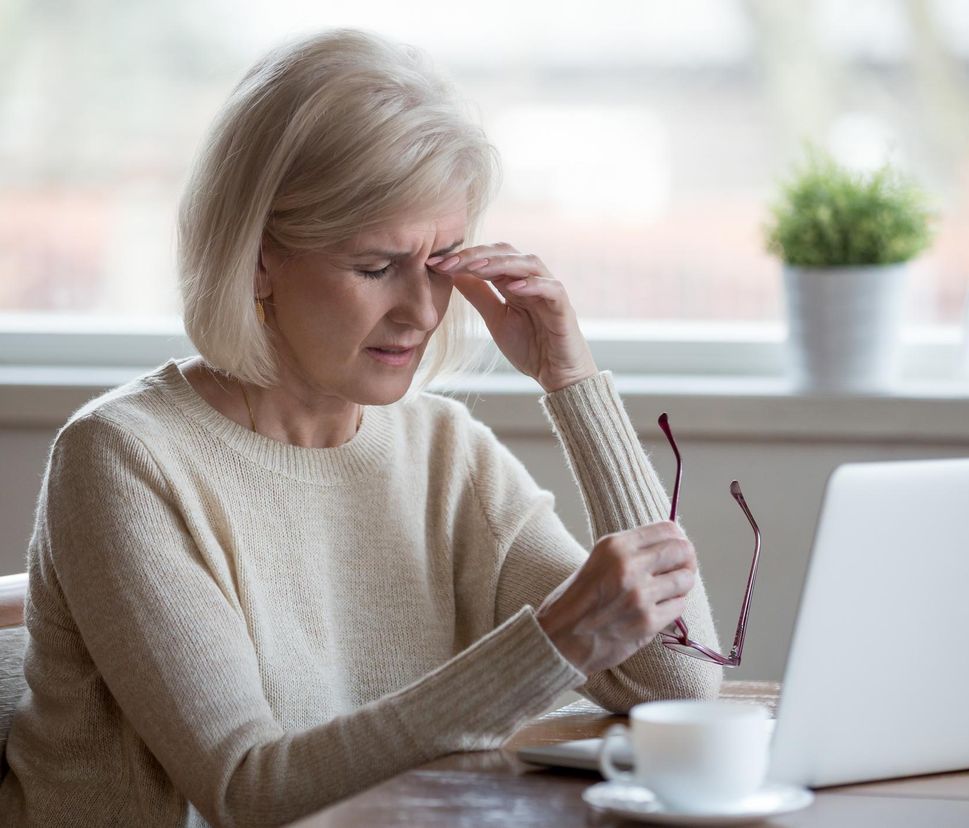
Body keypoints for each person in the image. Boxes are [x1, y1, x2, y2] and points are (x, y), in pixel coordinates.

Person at [0, 28, 721, 827]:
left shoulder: (444, 452)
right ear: (258, 258)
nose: (421, 312)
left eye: (442, 264)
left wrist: (573, 381)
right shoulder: (123, 459)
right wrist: (551, 645)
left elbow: (677, 681)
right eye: (376, 267)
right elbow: (248, 792)